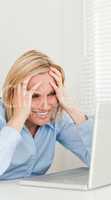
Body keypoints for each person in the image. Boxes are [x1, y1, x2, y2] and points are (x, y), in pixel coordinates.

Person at [0, 50, 94, 180]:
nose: (45, 106)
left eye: (51, 94)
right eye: (35, 96)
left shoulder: (55, 118)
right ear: (13, 95)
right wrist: (18, 118)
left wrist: (71, 107)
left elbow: (99, 160)